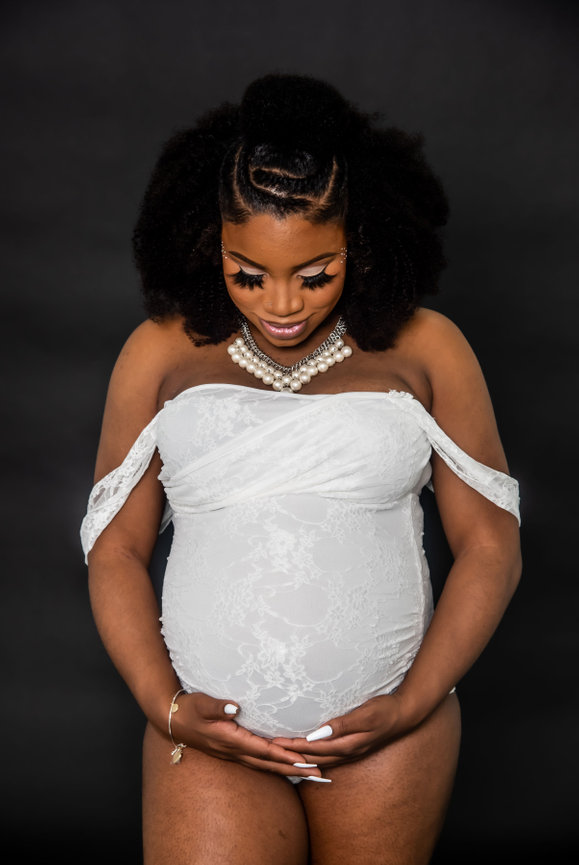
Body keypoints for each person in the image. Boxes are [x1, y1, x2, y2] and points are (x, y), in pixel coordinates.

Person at [81, 73, 521, 865]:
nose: (280, 303)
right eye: (246, 272)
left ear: (364, 239)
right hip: (209, 737)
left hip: (389, 734)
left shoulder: (427, 350)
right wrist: (165, 705)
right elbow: (114, 549)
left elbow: (489, 543)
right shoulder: (158, 353)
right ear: (204, 240)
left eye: (315, 273)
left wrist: (411, 704)